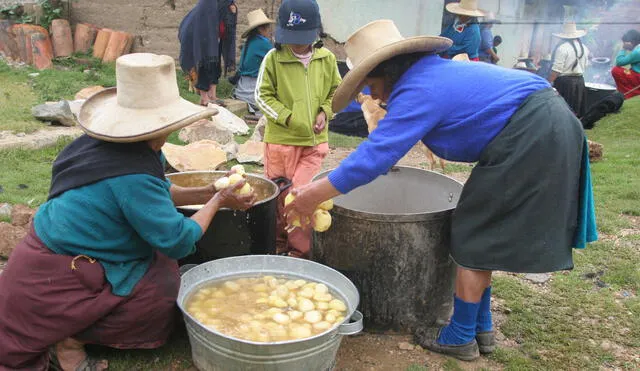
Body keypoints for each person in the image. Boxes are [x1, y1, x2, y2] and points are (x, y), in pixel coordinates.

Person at [284, 20, 597, 361]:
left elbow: (373, 157)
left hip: (532, 133)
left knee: (473, 234)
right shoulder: (428, 77)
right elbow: (387, 144)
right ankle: (480, 326)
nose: (371, 95)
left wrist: (313, 194)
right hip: (543, 124)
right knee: (481, 231)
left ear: (388, 70)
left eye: (370, 84)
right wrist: (382, 152)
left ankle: (460, 335)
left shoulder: (420, 87)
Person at [0, 53, 256, 371]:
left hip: (74, 247)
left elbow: (160, 190)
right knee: (161, 295)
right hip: (61, 271)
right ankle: (70, 339)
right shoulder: (131, 174)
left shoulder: (124, 148)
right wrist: (218, 203)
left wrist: (207, 193)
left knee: (163, 268)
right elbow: (179, 240)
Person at [255, 0, 341, 258]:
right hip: (280, 143)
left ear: (317, 32)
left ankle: (300, 253)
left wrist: (325, 112)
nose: (297, 43)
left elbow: (336, 92)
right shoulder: (273, 59)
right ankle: (277, 244)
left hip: (313, 145)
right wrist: (287, 117)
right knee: (279, 198)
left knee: (302, 196)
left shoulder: (327, 59)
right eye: (291, 37)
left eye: (303, 38)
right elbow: (262, 96)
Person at [179, 0, 237, 106]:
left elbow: (229, 29)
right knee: (204, 63)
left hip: (215, 37)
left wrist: (232, 12)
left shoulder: (227, 4)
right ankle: (204, 98)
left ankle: (212, 95)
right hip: (197, 36)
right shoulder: (207, 4)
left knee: (215, 62)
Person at [233, 8, 275, 114]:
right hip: (252, 90)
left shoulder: (250, 41)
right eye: (267, 27)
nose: (269, 30)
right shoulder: (263, 44)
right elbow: (277, 61)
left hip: (242, 88)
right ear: (261, 29)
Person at [548, 21, 590, 117]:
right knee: (575, 111)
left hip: (565, 84)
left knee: (562, 111)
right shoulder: (584, 48)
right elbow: (586, 65)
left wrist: (548, 82)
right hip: (579, 82)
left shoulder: (562, 48)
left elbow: (556, 70)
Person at [611, 29, 640, 99]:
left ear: (631, 42)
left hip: (638, 77)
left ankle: (628, 93)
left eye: (624, 43)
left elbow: (619, 62)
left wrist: (623, 49)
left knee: (616, 70)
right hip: (636, 75)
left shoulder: (637, 52)